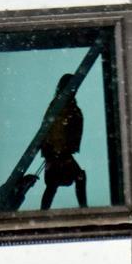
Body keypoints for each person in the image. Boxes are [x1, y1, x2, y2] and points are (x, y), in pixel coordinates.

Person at [39, 74, 87, 210]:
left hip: (57, 153)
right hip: (58, 153)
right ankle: (84, 208)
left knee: (55, 184)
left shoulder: (63, 106)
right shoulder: (63, 107)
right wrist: (59, 152)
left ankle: (43, 214)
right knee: (77, 177)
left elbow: (50, 130)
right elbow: (55, 130)